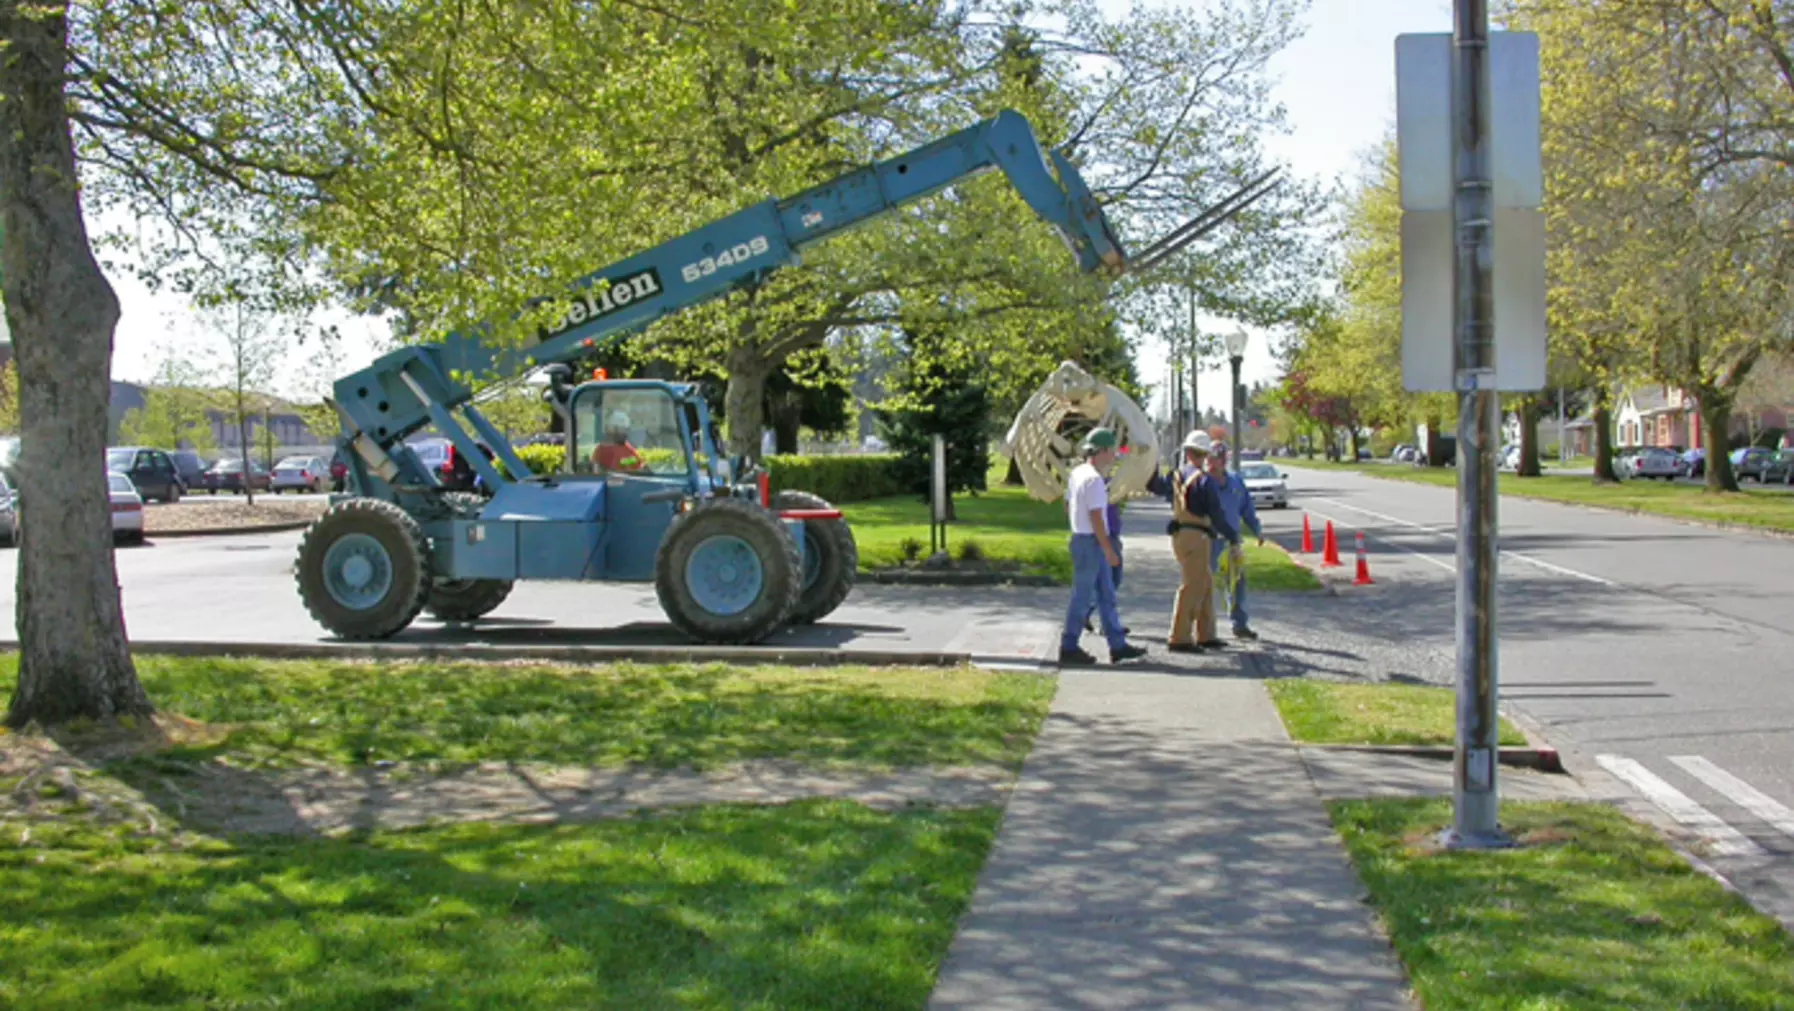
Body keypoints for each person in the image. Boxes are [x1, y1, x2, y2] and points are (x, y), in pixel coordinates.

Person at [1060, 427, 1146, 666]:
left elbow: (1068, 505)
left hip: (1081, 537)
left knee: (1106, 592)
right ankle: (1069, 645)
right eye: (1112, 452)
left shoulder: (1077, 473)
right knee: (1083, 595)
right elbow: (1097, 516)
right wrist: (1108, 549)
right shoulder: (1095, 480)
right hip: (1093, 541)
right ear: (1104, 451)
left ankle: (1117, 644)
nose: (1114, 457)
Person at [1166, 430, 1239, 653]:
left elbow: (1158, 487)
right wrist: (1233, 536)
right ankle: (1179, 637)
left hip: (1180, 535)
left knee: (1205, 583)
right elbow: (1216, 515)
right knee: (1193, 587)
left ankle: (1206, 634)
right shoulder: (1205, 482)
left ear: (1187, 452)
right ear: (1205, 454)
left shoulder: (1177, 476)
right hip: (1198, 536)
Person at [1207, 442, 1265, 640]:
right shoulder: (1204, 483)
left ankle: (1239, 624)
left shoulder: (1236, 482)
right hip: (1209, 541)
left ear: (1224, 460)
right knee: (1205, 583)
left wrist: (1257, 529)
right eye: (1210, 459)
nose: (1212, 464)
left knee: (1237, 582)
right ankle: (1203, 627)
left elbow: (1246, 509)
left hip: (1232, 542)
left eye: (1216, 459)